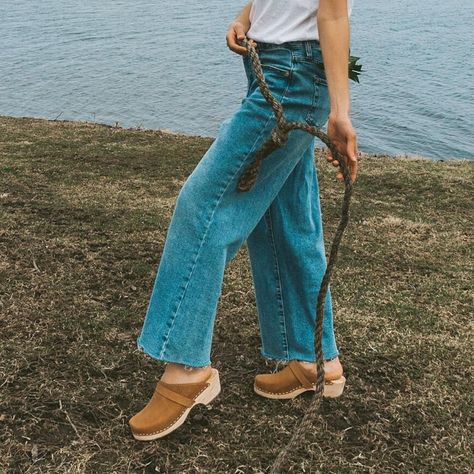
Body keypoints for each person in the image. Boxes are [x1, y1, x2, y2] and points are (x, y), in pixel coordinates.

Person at [129, 0, 359, 441]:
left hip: (293, 75)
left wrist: (340, 111)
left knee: (204, 205)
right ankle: (314, 360)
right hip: (273, 66)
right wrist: (246, 17)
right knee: (286, 215)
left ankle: (186, 369)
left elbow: (332, 10)